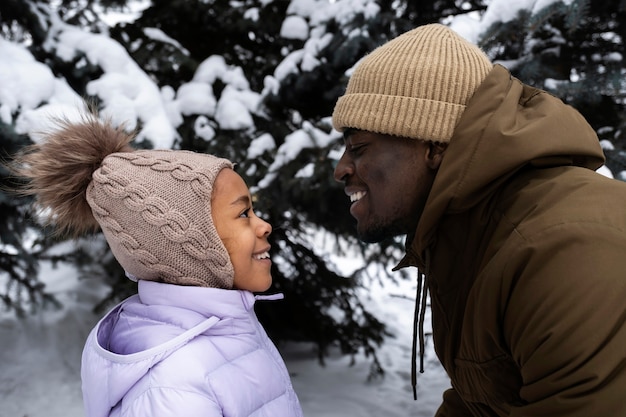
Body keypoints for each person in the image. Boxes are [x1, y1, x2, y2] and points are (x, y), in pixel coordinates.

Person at [332, 23, 626, 416]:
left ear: (434, 146)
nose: (341, 169)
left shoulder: (561, 249)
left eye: (360, 148)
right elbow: (483, 401)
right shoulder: (471, 234)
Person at [12, 112, 303, 417]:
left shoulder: (230, 327)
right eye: (244, 214)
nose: (264, 225)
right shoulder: (172, 388)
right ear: (191, 245)